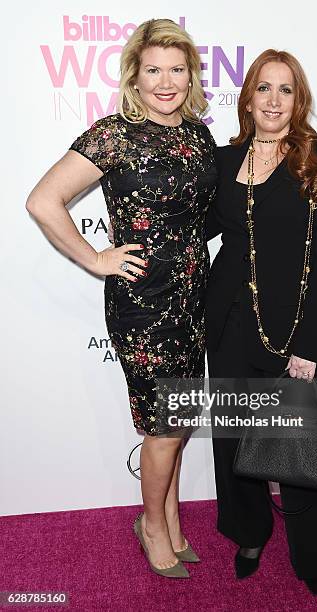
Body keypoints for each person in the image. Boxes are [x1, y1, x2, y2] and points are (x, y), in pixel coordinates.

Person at [26, 18, 217, 579]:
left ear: (191, 76)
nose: (166, 82)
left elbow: (200, 219)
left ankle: (173, 519)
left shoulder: (199, 135)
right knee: (162, 426)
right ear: (134, 76)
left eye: (176, 70)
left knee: (175, 421)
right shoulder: (114, 133)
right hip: (143, 305)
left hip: (192, 296)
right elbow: (43, 200)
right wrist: (95, 258)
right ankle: (151, 525)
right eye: (153, 69)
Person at [205, 49, 317, 594]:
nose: (273, 100)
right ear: (247, 96)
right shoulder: (223, 162)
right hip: (228, 326)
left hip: (295, 330)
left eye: (285, 90)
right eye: (262, 88)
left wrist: (313, 343)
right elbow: (196, 234)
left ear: (299, 98)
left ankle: (309, 553)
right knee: (233, 442)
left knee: (295, 451)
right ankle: (248, 532)